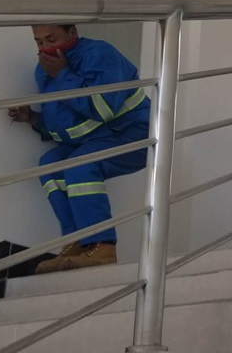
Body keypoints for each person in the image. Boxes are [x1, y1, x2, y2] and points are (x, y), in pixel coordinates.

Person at [8, 24, 150, 273]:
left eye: (51, 39)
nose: (45, 47)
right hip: (97, 138)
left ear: (72, 33)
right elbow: (68, 124)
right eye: (39, 42)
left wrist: (62, 75)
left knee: (81, 165)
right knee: (49, 166)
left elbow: (102, 108)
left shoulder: (100, 54)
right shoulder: (44, 70)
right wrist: (33, 118)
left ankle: (103, 247)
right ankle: (77, 242)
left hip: (133, 134)